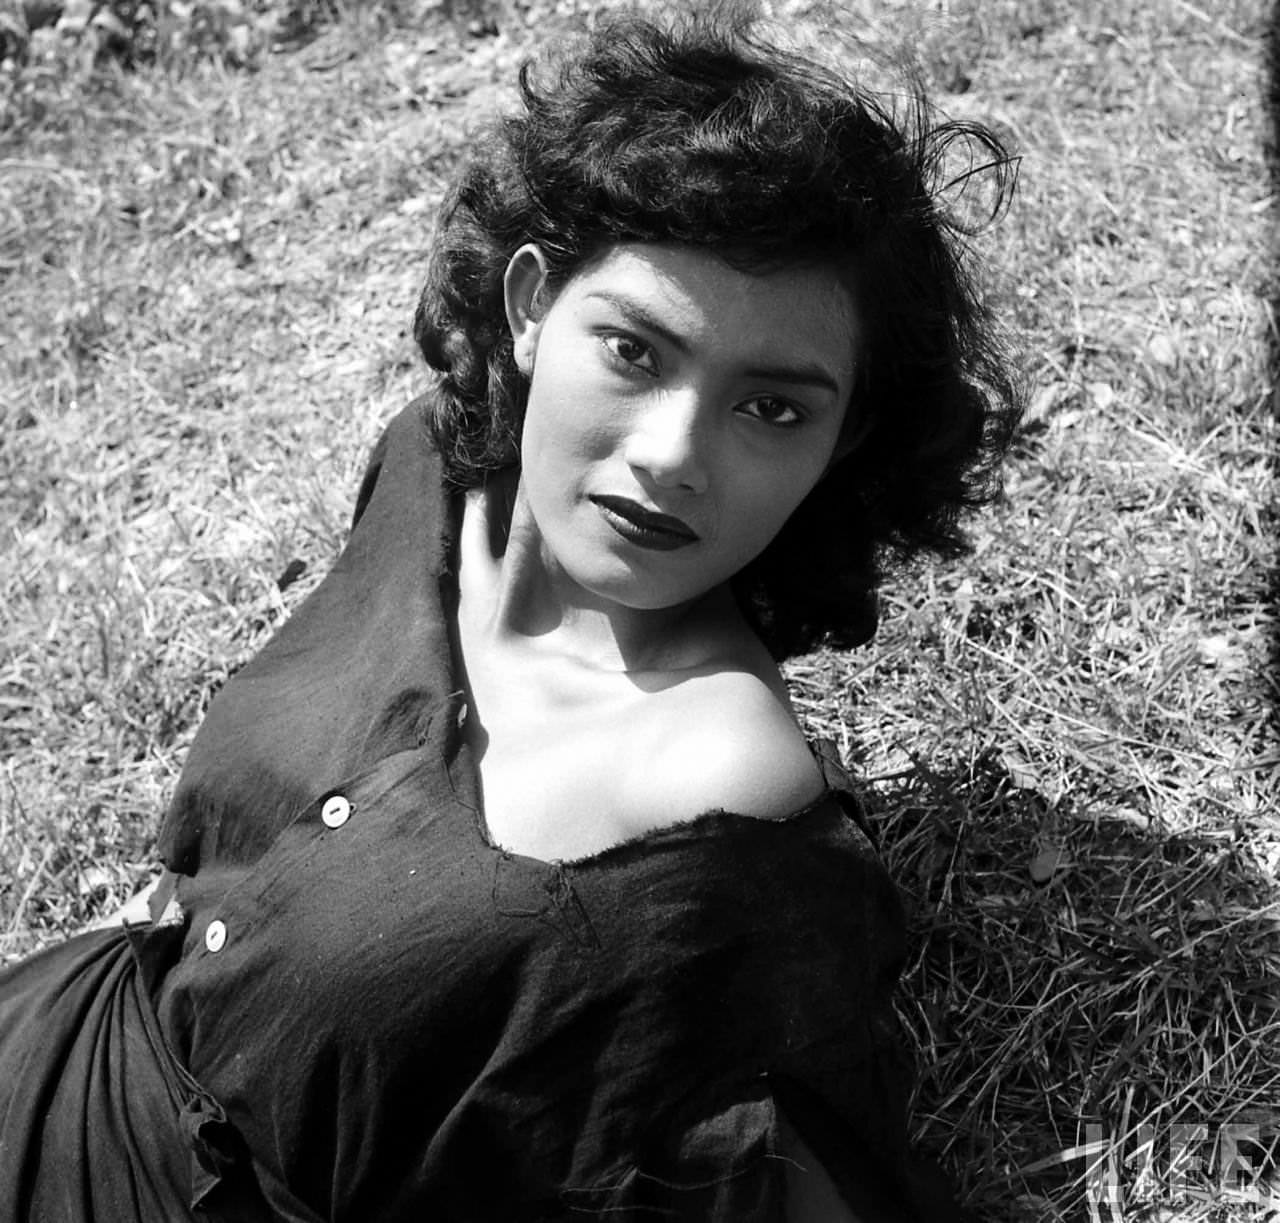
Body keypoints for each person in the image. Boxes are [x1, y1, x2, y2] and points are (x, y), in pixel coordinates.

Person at [0, 9, 1019, 1222]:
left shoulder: (710, 778)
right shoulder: (429, 469)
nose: (671, 456)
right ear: (532, 305)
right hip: (53, 1039)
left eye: (771, 409)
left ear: (839, 440)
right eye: (635, 352)